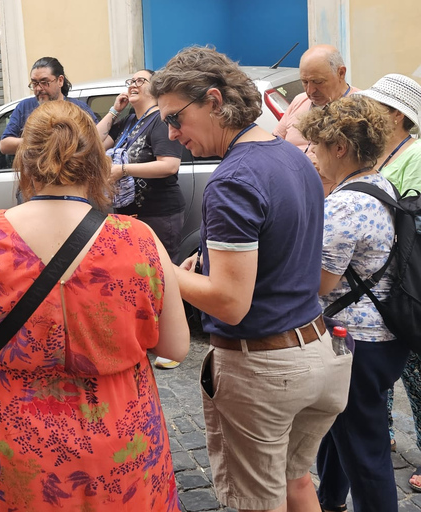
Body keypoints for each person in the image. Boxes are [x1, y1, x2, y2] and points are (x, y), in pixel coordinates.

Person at [0, 100, 190, 510]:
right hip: (118, 434)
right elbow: (176, 347)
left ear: (26, 162)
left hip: (15, 435)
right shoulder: (137, 239)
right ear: (97, 161)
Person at [154, 47, 352, 512]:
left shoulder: (233, 179)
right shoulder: (293, 156)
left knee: (259, 501)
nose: (172, 133)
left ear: (214, 100)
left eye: (176, 118)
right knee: (297, 483)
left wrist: (158, 265)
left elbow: (229, 302)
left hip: (265, 370)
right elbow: (281, 252)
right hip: (317, 354)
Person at [297, 94, 410, 512]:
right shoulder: (379, 184)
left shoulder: (346, 204)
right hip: (382, 335)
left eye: (316, 146)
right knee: (336, 429)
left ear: (339, 147)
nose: (312, 155)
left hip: (357, 343)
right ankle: (331, 500)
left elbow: (321, 283)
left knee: (366, 451)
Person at [96, 68, 185, 370]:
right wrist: (113, 109)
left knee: (164, 275)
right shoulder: (130, 121)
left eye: (140, 81)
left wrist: (123, 170)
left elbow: (170, 165)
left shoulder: (160, 120)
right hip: (127, 211)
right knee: (134, 277)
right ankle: (144, 336)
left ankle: (171, 343)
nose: (133, 85)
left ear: (154, 88)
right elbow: (93, 143)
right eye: (130, 81)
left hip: (158, 211)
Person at [358, 74, 421, 490]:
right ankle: (381, 438)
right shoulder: (384, 152)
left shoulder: (415, 154)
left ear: (397, 115)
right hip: (381, 287)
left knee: (416, 375)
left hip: (405, 284)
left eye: (376, 108)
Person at [273, 44, 360, 195]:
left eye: (318, 82)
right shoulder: (299, 100)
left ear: (341, 73)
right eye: (305, 82)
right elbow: (274, 143)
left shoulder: (361, 105)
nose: (310, 91)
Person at [0, 57, 98, 155]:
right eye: (34, 83)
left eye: (44, 82)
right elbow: (4, 145)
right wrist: (39, 142)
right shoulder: (25, 106)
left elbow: (97, 140)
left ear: (60, 81)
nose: (38, 88)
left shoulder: (78, 108)